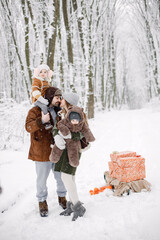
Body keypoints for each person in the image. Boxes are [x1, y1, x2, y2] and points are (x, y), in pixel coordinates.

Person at [49, 92, 95, 221]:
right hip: (63, 149)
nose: (60, 100)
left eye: (62, 98)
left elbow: (82, 133)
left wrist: (69, 136)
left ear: (68, 101)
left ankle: (78, 207)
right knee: (70, 177)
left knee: (66, 177)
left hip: (74, 150)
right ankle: (71, 204)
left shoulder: (78, 114)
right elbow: (55, 128)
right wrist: (57, 135)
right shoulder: (61, 113)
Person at [25, 87, 67, 217]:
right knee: (41, 180)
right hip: (41, 152)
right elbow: (28, 127)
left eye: (60, 98)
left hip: (57, 151)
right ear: (49, 97)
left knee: (61, 177)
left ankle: (62, 197)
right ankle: (42, 201)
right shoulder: (35, 110)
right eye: (57, 97)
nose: (59, 100)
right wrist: (41, 121)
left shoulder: (59, 111)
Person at [31, 64, 53, 130]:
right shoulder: (36, 81)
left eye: (45, 72)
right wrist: (41, 100)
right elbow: (35, 91)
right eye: (41, 72)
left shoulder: (47, 82)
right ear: (38, 73)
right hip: (37, 100)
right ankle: (46, 122)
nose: (43, 73)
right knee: (44, 106)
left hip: (45, 99)